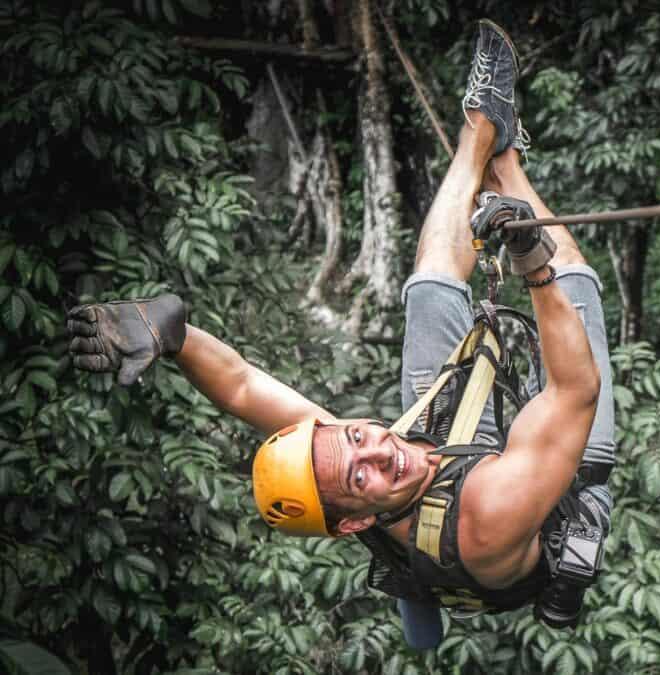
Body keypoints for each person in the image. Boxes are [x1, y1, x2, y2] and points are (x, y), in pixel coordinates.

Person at [66, 19, 615, 651]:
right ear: (355, 521)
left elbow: (244, 389)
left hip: (442, 470)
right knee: (573, 290)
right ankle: (508, 163)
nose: (379, 449)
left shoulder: (357, 458)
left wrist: (172, 336)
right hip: (526, 500)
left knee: (434, 284)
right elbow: (575, 389)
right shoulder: (491, 516)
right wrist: (531, 260)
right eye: (362, 477)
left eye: (355, 434)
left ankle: (480, 131)